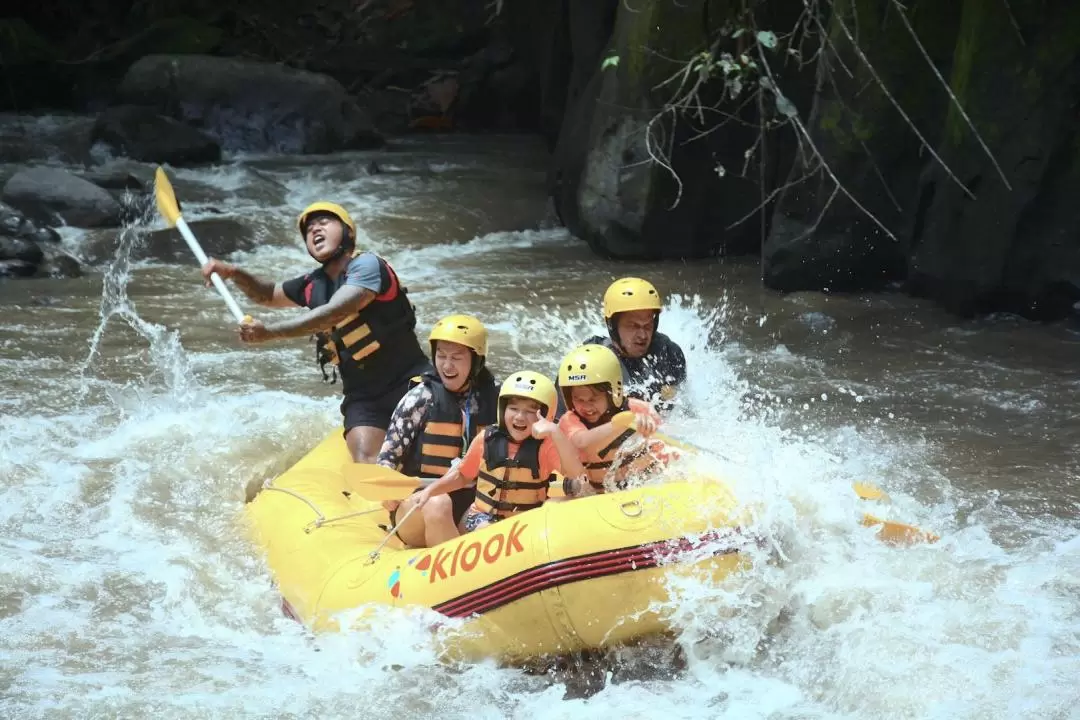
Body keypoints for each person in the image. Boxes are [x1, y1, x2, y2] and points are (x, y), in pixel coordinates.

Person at [200, 201, 430, 462]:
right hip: (365, 396)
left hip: (410, 381)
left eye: (324, 223)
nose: (315, 230)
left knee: (428, 451)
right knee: (366, 459)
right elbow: (265, 295)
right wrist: (233, 273)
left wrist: (270, 333)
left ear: (349, 233)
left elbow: (334, 312)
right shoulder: (311, 284)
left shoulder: (368, 265)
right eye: (309, 229)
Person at [405, 371, 587, 546]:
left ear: (546, 415)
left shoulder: (547, 447)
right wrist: (430, 490)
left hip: (523, 525)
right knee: (488, 530)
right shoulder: (487, 439)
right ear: (502, 409)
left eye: (530, 411)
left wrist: (556, 432)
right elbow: (462, 476)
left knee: (556, 506)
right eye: (513, 408)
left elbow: (577, 475)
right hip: (480, 518)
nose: (519, 417)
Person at [378, 314, 499, 548]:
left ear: (476, 360)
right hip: (417, 506)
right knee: (438, 502)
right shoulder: (420, 399)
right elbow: (386, 460)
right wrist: (387, 490)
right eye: (441, 356)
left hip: (469, 505)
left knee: (488, 527)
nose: (446, 365)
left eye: (456, 357)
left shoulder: (494, 401)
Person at [556, 277, 687, 416]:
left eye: (648, 325)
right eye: (633, 326)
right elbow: (561, 420)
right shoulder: (584, 363)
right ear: (612, 325)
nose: (642, 335)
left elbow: (678, 411)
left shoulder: (669, 353)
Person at [557, 344, 675, 493]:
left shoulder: (638, 409)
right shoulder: (570, 420)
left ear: (612, 392)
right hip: (598, 491)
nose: (586, 406)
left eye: (593, 399)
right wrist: (620, 423)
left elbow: (668, 441)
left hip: (644, 483)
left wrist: (650, 427)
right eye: (578, 399)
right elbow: (582, 441)